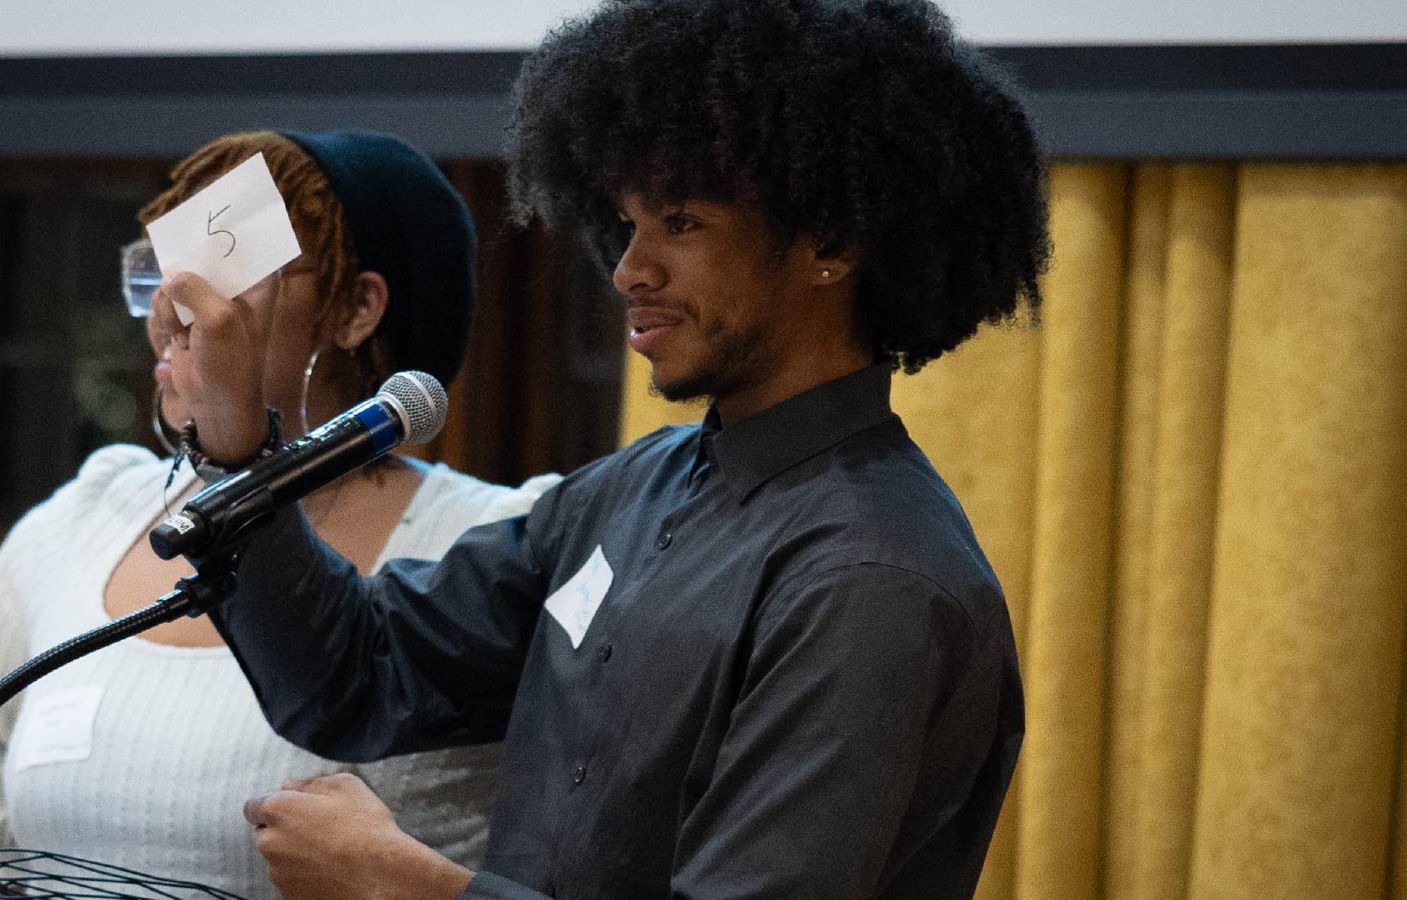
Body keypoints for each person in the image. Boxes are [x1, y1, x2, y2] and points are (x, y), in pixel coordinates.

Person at [159, 0, 1050, 896]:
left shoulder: (872, 582)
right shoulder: (630, 490)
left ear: (832, 242)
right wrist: (238, 440)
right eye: (626, 224)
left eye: (681, 222)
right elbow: (357, 674)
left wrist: (413, 886)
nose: (629, 268)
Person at [0, 128, 559, 900]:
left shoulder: (491, 547)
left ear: (356, 309)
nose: (173, 309)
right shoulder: (87, 515)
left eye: (225, 273)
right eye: (164, 270)